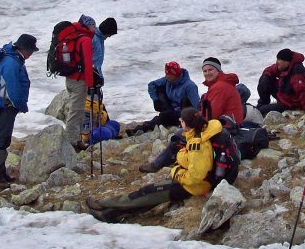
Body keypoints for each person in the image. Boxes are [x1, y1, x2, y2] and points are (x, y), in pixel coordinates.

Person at [86, 108, 220, 222]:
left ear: (187, 124)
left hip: (192, 186)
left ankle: (103, 204)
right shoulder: (195, 135)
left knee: (147, 192)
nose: (180, 123)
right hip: (191, 183)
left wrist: (177, 173)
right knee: (150, 197)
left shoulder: (198, 144)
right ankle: (109, 215)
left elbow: (196, 176)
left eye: (182, 121)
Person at [138, 57, 243, 173]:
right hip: (226, 125)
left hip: (225, 129)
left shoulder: (219, 87)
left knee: (180, 134)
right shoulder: (220, 84)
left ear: (218, 70)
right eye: (205, 71)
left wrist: (190, 121)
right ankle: (177, 159)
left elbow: (209, 115)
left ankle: (157, 165)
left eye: (210, 70)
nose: (207, 73)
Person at [0, 33, 38, 188]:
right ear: (24, 49)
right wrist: (21, 105)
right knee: (1, 140)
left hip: (3, 105)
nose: (31, 54)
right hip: (5, 106)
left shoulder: (13, 59)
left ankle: (0, 173)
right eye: (31, 50)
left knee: (3, 139)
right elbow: (14, 89)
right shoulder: (11, 63)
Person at [125, 61, 200, 136]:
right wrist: (155, 100)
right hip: (171, 109)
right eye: (166, 73)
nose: (166, 76)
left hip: (184, 113)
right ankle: (139, 129)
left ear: (175, 74)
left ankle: (141, 129)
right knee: (159, 90)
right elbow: (151, 85)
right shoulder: (167, 80)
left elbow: (197, 106)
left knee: (164, 116)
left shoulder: (190, 86)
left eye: (169, 74)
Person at [66, 14, 97, 152]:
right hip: (79, 80)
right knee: (76, 110)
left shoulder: (75, 37)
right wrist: (91, 84)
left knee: (75, 109)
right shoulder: (85, 40)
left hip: (70, 78)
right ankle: (71, 141)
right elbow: (87, 63)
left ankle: (76, 139)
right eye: (93, 26)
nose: (95, 29)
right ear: (87, 26)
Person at [257, 48, 305, 115]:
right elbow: (269, 70)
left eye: (279, 60)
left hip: (290, 104)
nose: (277, 62)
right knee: (265, 79)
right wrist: (266, 76)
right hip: (283, 95)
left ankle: (261, 109)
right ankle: (263, 102)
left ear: (287, 62)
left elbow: (303, 92)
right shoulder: (284, 66)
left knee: (261, 110)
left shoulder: (297, 72)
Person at [92, 16, 118, 84]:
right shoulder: (96, 40)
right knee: (93, 94)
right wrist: (99, 77)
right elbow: (95, 62)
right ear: (106, 31)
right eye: (110, 34)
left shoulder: (99, 38)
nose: (109, 36)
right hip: (92, 76)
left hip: (92, 75)